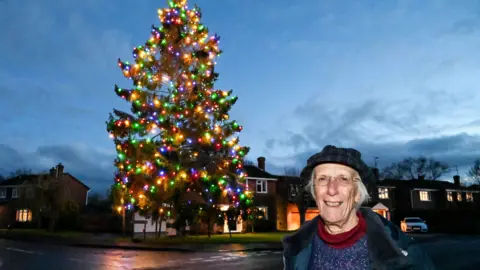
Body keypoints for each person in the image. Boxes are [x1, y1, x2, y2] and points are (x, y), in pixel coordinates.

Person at [282, 145, 435, 270]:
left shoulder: (404, 251)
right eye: (322, 179)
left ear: (357, 193)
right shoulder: (295, 249)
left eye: (343, 179)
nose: (331, 189)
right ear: (314, 192)